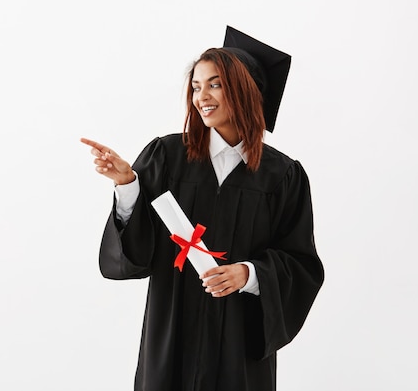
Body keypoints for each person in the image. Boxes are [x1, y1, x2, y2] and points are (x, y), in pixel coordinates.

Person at [80, 26, 324, 391]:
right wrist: (128, 185)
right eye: (196, 86)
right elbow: (137, 253)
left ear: (244, 91)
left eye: (215, 84)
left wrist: (249, 274)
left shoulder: (282, 176)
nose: (201, 97)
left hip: (239, 346)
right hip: (172, 335)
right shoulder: (166, 156)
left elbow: (301, 262)